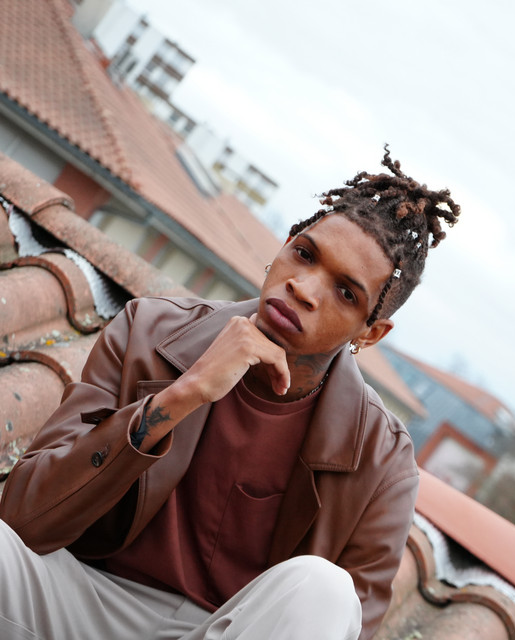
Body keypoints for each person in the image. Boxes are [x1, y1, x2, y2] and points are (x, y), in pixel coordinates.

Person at [0, 145, 460, 640]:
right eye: (304, 255)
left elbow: (345, 624)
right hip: (80, 599)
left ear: (370, 333)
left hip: (232, 632)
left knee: (325, 589)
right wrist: (184, 393)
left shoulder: (383, 462)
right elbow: (24, 516)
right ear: (285, 245)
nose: (304, 288)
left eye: (346, 293)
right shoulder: (148, 331)